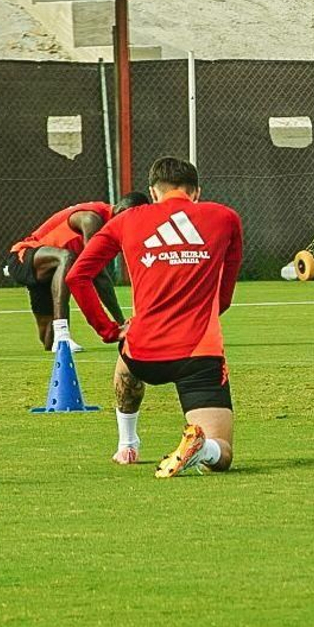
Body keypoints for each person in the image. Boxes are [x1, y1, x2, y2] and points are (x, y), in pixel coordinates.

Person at [66, 157, 243, 475]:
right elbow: (224, 297)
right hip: (199, 355)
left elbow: (77, 276)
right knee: (223, 453)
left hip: (143, 353)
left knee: (126, 355)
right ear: (196, 192)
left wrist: (108, 330)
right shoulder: (225, 218)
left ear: (152, 191)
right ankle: (203, 449)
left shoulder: (127, 219)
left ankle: (127, 444)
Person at [0, 194, 148, 352]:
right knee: (67, 256)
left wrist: (122, 325)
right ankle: (62, 334)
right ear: (123, 211)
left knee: (49, 342)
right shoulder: (92, 219)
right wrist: (118, 325)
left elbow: (100, 278)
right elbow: (98, 275)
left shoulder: (110, 228)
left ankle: (58, 336)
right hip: (25, 256)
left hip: (52, 274)